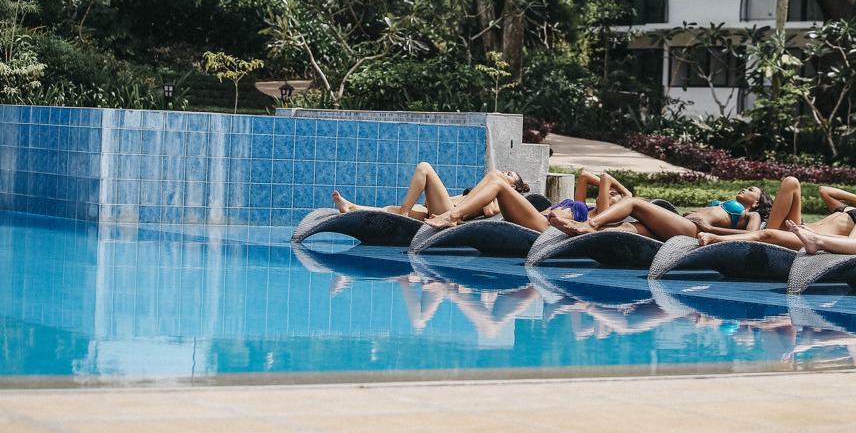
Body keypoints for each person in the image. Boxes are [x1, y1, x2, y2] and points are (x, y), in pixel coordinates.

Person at [547, 177, 789, 241]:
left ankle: (589, 224)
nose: (746, 189)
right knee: (627, 228)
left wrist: (710, 228)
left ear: (757, 202)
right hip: (680, 224)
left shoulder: (752, 214)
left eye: (751, 190)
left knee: (635, 203)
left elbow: (751, 238)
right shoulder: (727, 203)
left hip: (692, 231)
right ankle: (579, 232)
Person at [421, 168, 633, 233]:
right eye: (611, 193)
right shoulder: (584, 205)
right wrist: (621, 193)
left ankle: (453, 215)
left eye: (614, 197)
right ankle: (457, 212)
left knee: (499, 183)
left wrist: (625, 195)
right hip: (533, 218)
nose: (611, 194)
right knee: (496, 175)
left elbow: (605, 178)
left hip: (540, 226)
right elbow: (585, 174)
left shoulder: (600, 214)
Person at [332, 161, 530, 220]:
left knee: (424, 168)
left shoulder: (498, 196)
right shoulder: (488, 187)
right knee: (389, 209)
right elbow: (461, 198)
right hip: (442, 207)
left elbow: (489, 212)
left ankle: (403, 212)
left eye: (509, 173)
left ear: (512, 187)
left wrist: (493, 189)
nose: (504, 172)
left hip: (448, 214)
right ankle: (352, 207)